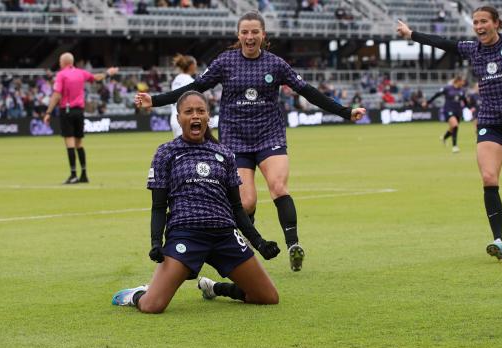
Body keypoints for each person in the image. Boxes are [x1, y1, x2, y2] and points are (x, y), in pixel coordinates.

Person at [134, 11, 366, 272]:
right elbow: (196, 87)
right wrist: (155, 99)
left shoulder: (276, 64)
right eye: (245, 32)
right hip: (235, 139)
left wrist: (345, 111)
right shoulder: (225, 62)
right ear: (239, 35)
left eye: (255, 31)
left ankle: (293, 246)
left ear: (263, 35)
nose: (250, 36)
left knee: (278, 186)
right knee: (247, 202)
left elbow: (308, 91)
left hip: (270, 135)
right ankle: (246, 251)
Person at [397, 7, 502, 260]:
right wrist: (411, 34)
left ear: (496, 23)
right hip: (489, 122)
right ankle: (499, 241)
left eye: (484, 22)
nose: (479, 26)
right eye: (475, 23)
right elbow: (443, 43)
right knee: (489, 178)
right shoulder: (473, 49)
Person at [111, 91, 281, 313]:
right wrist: (156, 242)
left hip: (224, 235)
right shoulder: (166, 152)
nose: (195, 116)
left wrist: (259, 242)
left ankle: (215, 288)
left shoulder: (224, 153)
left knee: (267, 296)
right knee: (153, 306)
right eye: (188, 111)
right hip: (186, 234)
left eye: (200, 111)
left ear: (208, 116)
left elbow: (237, 208)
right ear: (178, 117)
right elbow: (159, 206)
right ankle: (138, 294)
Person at [43, 52, 118, 184]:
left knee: (70, 142)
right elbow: (97, 78)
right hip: (79, 111)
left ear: (64, 62)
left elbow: (56, 95)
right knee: (79, 143)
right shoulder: (81, 73)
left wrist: (48, 112)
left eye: (60, 61)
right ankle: (84, 174)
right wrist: (108, 73)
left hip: (67, 110)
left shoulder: (61, 75)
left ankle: (73, 175)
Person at [426, 76, 466, 153]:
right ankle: (455, 146)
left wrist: (469, 107)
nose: (464, 83)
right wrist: (428, 102)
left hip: (458, 111)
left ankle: (444, 137)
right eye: (462, 81)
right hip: (448, 110)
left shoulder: (462, 90)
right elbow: (437, 94)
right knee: (455, 125)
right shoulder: (448, 88)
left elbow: (465, 101)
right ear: (458, 81)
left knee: (452, 128)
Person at [169, 54, 198, 137]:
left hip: (174, 118)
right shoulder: (190, 81)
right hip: (185, 118)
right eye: (195, 64)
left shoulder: (176, 80)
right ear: (191, 66)